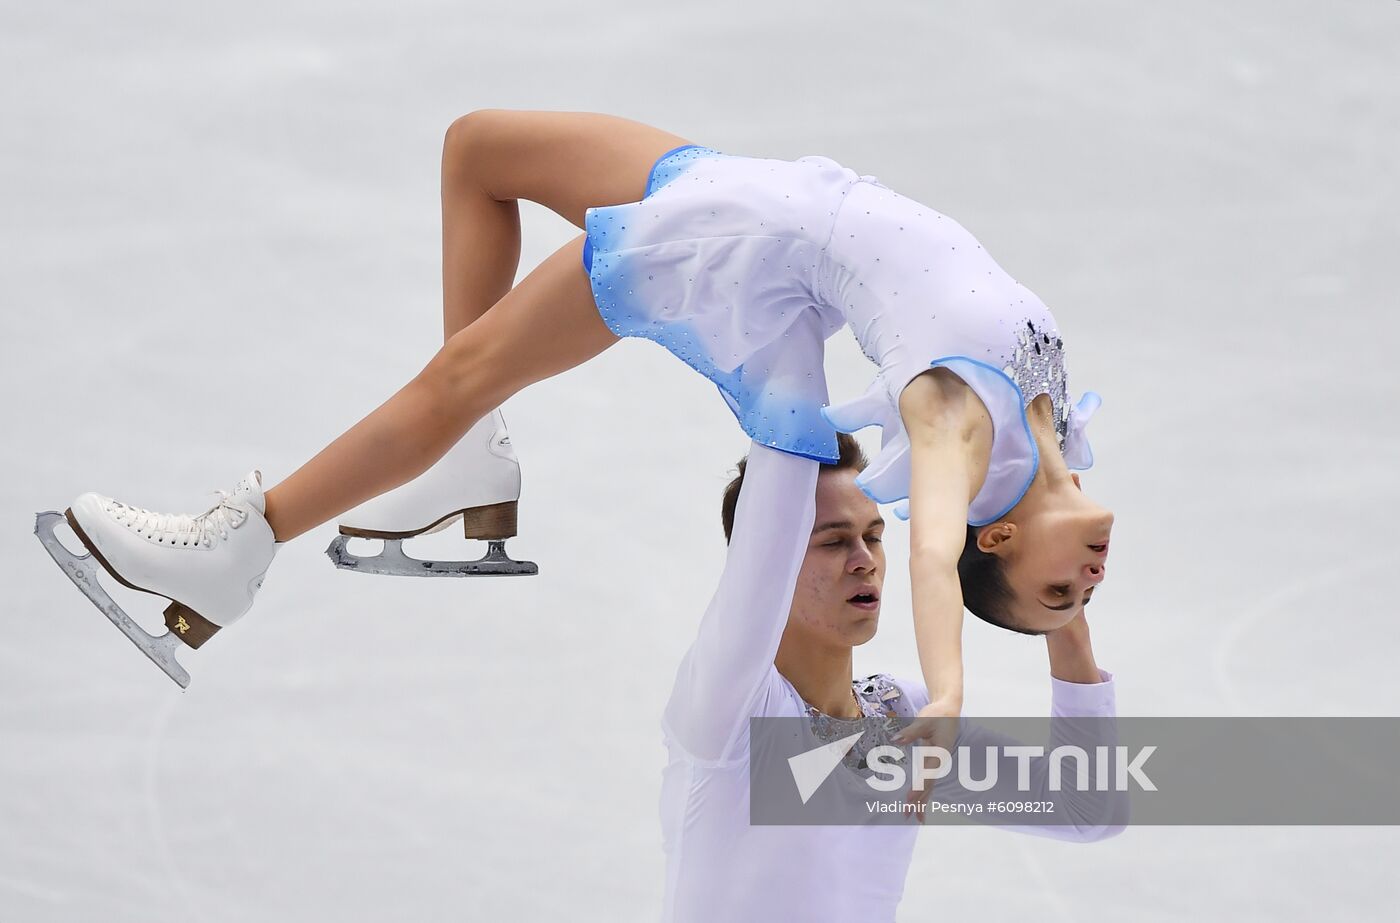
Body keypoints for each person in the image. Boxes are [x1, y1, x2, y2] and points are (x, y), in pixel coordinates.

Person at [37, 110, 1115, 710]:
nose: (1088, 583)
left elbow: (933, 557)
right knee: (478, 151)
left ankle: (236, 551)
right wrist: (1061, 619)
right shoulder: (1051, 440)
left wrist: (948, 695)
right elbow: (1027, 549)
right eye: (1076, 592)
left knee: (458, 376)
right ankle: (467, 463)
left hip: (738, 246)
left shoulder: (957, 429)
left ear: (998, 535)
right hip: (771, 191)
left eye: (1059, 589)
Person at [659, 431, 1121, 922]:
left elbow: (1085, 811)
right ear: (772, 561)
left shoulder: (902, 719)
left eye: (873, 537)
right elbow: (777, 480)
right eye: (834, 541)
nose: (865, 561)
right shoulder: (732, 713)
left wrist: (1062, 600)